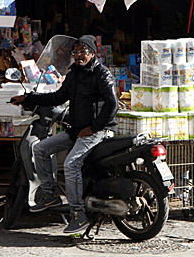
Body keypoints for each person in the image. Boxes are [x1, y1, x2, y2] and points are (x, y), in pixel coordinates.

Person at [12, 34, 119, 233]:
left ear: (92, 53)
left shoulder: (102, 74)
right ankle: (50, 194)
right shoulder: (74, 74)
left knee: (71, 164)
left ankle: (78, 214)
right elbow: (58, 96)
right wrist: (28, 98)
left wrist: (93, 127)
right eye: (75, 52)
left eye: (83, 52)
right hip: (76, 130)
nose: (78, 56)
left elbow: (113, 105)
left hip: (97, 131)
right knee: (41, 149)